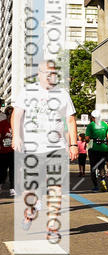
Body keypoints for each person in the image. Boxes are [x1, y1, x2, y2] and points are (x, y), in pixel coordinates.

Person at [12, 60, 78, 233]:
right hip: (31, 148)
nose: (50, 76)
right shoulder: (27, 91)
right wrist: (17, 136)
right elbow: (17, 114)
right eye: (47, 73)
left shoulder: (62, 93)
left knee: (55, 185)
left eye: (53, 73)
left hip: (56, 148)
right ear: (39, 74)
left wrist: (73, 144)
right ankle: (31, 210)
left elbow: (70, 120)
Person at [86, 111, 108, 192]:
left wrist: (89, 139)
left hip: (94, 148)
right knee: (102, 166)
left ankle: (95, 186)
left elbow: (87, 139)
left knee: (93, 167)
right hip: (104, 148)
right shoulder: (105, 125)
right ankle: (103, 180)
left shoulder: (90, 125)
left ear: (92, 117)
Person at [0, 106, 15, 195]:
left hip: (14, 151)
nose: (10, 115)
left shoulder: (17, 124)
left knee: (13, 170)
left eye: (12, 113)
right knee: (2, 170)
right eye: (8, 113)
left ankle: (12, 187)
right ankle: (1, 184)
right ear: (6, 114)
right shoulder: (2, 123)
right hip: (3, 151)